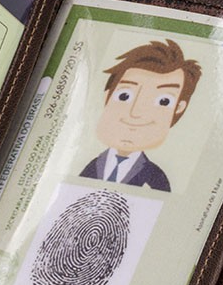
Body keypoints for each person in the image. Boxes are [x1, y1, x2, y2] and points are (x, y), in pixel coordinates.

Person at [80, 39, 202, 193]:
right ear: (107, 97)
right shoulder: (91, 167)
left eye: (164, 101)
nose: (135, 113)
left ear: (178, 108)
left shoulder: (156, 178)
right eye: (124, 96)